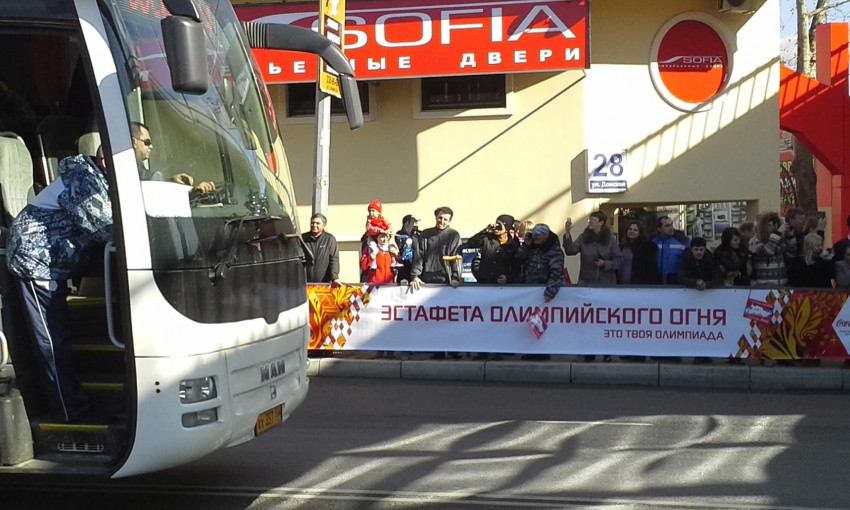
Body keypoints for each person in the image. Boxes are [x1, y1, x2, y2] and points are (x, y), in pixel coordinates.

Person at [6, 151, 111, 423]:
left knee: (58, 336)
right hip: (36, 260)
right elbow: (104, 228)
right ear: (107, 158)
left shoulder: (98, 178)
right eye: (147, 143)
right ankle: (71, 413)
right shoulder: (83, 179)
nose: (150, 149)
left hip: (55, 263)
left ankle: (75, 405)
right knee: (52, 342)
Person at [131, 121, 214, 193]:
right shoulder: (141, 175)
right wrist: (196, 191)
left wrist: (172, 180)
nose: (151, 146)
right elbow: (165, 197)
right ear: (134, 142)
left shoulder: (134, 169)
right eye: (147, 142)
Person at [409, 206, 461, 290]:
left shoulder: (454, 235)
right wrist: (415, 276)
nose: (442, 221)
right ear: (436, 217)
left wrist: (455, 277)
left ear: (449, 221)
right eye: (440, 218)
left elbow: (456, 258)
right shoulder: (425, 234)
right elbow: (419, 256)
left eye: (445, 219)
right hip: (425, 280)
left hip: (447, 280)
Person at [562, 211, 621, 285]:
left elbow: (619, 261)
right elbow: (570, 251)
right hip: (586, 282)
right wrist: (567, 233)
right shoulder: (583, 237)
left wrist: (604, 263)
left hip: (606, 283)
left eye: (593, 220)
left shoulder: (610, 239)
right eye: (589, 220)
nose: (590, 222)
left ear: (601, 222)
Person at [466, 214, 520, 284]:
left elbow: (516, 266)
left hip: (503, 285)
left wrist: (508, 278)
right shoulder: (487, 239)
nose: (496, 228)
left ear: (507, 229)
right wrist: (485, 231)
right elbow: (471, 243)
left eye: (499, 226)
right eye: (496, 224)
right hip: (485, 283)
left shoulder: (513, 244)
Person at [517, 224, 564, 302]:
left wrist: (550, 292)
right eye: (534, 234)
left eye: (538, 234)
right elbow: (518, 260)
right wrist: (526, 246)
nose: (535, 237)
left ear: (546, 235)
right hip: (526, 290)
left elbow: (557, 274)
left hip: (542, 291)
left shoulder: (554, 251)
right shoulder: (532, 248)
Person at [750, 212, 796, 287]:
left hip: (781, 283)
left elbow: (791, 255)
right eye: (769, 225)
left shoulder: (777, 240)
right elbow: (768, 250)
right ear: (762, 227)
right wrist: (777, 233)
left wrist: (790, 237)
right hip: (763, 284)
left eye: (773, 225)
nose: (772, 228)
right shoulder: (755, 241)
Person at [301, 213, 340, 285]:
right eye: (312, 223)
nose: (314, 225)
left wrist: (335, 278)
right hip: (305, 283)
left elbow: (334, 259)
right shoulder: (303, 238)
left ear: (324, 225)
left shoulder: (329, 239)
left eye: (317, 223)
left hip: (323, 284)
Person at [617, 219, 659, 285]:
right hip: (621, 285)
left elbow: (651, 269)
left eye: (635, 230)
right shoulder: (622, 246)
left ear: (640, 232)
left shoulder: (646, 247)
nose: (632, 231)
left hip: (639, 285)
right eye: (630, 229)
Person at [652, 216, 690, 285]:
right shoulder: (653, 242)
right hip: (656, 280)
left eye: (671, 225)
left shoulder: (683, 242)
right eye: (667, 226)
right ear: (659, 229)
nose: (671, 228)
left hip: (677, 280)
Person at [394, 214, 419, 285]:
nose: (416, 225)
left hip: (415, 264)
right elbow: (401, 244)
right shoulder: (399, 234)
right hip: (404, 265)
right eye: (414, 223)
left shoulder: (418, 234)